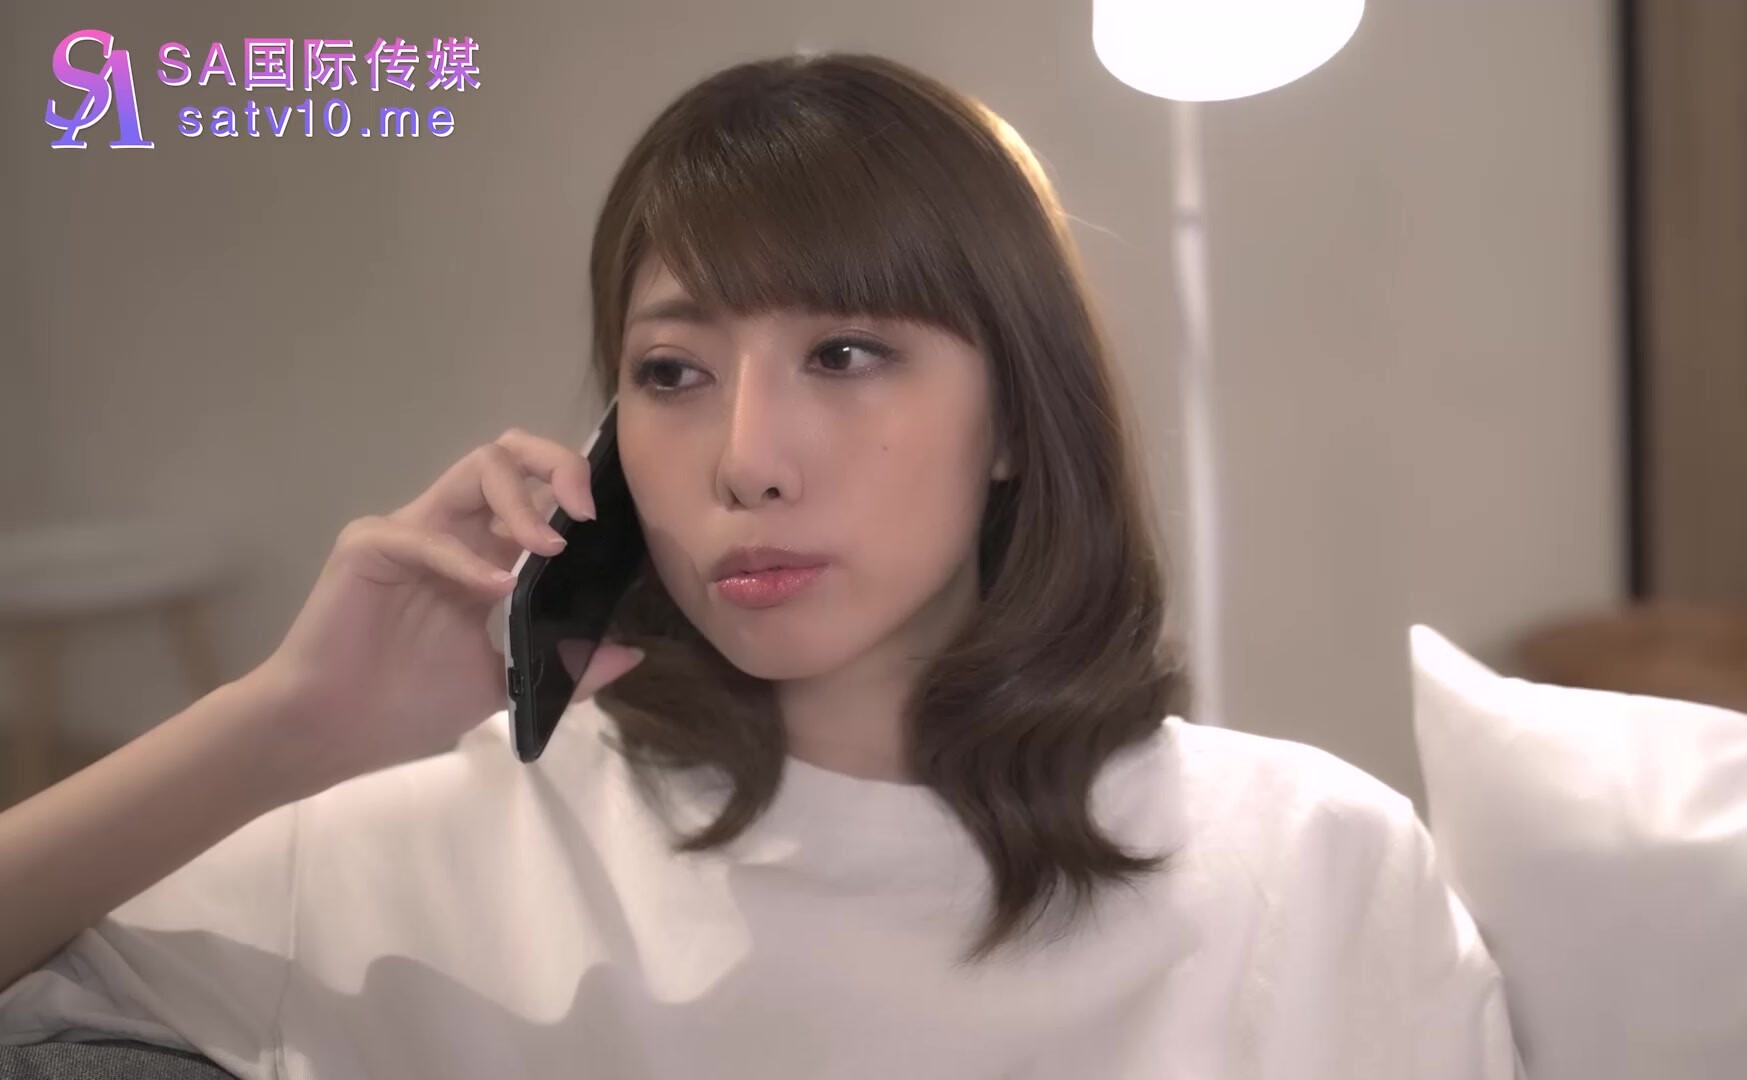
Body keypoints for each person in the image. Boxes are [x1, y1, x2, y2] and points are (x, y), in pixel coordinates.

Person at [0, 53, 1520, 1079]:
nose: (746, 458)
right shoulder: (440, 846)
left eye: (845, 352)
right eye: (672, 372)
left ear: (1013, 418)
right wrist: (285, 727)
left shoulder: (1300, 865)